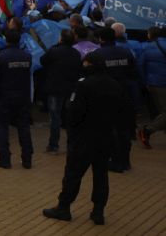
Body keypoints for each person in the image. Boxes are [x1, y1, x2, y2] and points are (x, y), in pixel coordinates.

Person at [42, 54, 128, 225]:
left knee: (73, 174)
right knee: (101, 175)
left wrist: (72, 132)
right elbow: (123, 112)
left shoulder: (83, 85)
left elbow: (73, 111)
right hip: (105, 137)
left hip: (84, 137)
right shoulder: (115, 85)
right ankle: (98, 211)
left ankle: (64, 207)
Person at [89, 26, 138, 172]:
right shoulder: (126, 52)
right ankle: (125, 160)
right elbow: (133, 73)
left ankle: (115, 160)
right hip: (123, 94)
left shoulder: (97, 54)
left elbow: (92, 76)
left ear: (100, 39)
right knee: (123, 129)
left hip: (104, 97)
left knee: (108, 129)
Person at [0, 29, 34, 169]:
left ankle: (4, 158)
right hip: (22, 97)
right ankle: (27, 159)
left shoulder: (0, 57)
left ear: (6, 40)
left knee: (1, 127)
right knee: (24, 128)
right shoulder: (27, 56)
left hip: (4, 97)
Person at [40, 29, 82, 153]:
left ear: (61, 39)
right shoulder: (76, 53)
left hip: (55, 88)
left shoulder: (54, 51)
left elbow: (43, 61)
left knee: (55, 117)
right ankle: (71, 145)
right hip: (70, 89)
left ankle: (54, 145)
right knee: (69, 117)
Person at [138, 25, 166, 147]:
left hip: (155, 83)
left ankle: (147, 130)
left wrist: (145, 82)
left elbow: (140, 66)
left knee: (163, 111)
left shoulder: (147, 47)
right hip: (161, 82)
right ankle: (147, 130)